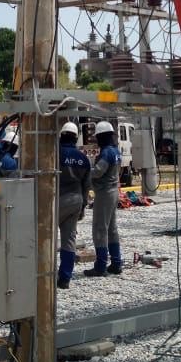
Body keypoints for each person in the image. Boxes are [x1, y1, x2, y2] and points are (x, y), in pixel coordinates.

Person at [84, 120, 123, 277]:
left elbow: (98, 172)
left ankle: (100, 266)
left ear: (101, 137)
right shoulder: (116, 151)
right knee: (112, 229)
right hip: (114, 191)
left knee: (100, 229)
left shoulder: (106, 152)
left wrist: (86, 171)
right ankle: (116, 263)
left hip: (105, 193)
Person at [57, 121, 91, 289]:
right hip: (75, 202)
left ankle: (42, 275)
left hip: (54, 202)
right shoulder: (83, 158)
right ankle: (64, 278)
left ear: (61, 136)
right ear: (76, 138)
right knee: (69, 241)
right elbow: (87, 186)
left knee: (44, 238)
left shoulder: (53, 155)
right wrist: (83, 207)